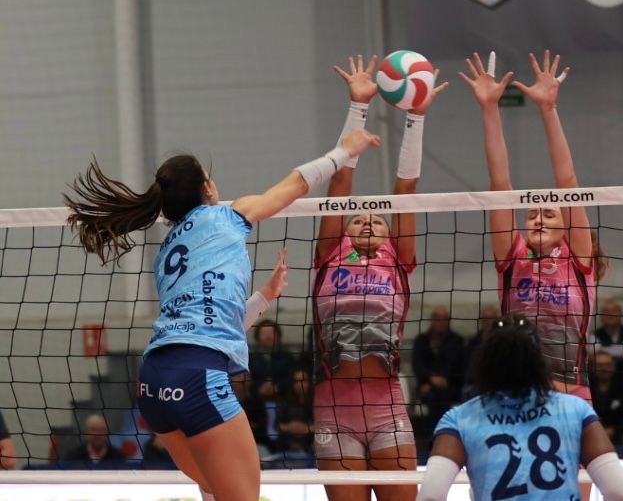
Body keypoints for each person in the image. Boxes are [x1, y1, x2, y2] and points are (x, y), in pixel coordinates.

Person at [64, 128, 380, 501]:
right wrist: (343, 151)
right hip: (197, 377)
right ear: (207, 187)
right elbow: (294, 184)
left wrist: (264, 296)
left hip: (153, 382)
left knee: (215, 490)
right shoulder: (227, 216)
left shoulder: (166, 253)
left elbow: (207, 323)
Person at [311, 54, 447, 501]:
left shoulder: (397, 258)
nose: (368, 220)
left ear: (389, 232)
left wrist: (416, 117)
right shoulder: (330, 255)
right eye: (357, 218)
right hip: (335, 409)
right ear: (345, 228)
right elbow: (339, 185)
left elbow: (406, 188)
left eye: (377, 218)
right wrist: (359, 106)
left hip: (387, 406)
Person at [459, 50, 607, 401]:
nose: (538, 217)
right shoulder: (513, 257)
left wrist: (548, 109)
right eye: (532, 214)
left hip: (572, 394)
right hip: (515, 393)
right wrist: (489, 109)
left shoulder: (578, 258)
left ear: (566, 227)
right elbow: (500, 185)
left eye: (549, 214)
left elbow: (567, 181)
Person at [417, 316, 623, 501]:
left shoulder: (459, 419)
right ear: (539, 359)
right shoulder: (575, 409)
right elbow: (619, 492)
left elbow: (431, 496)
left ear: (484, 359)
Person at [412, 305, 466, 430]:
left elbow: (456, 365)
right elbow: (417, 365)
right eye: (436, 318)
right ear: (431, 320)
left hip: (450, 386)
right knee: (434, 395)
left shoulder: (457, 341)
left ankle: (441, 431)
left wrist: (433, 383)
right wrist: (430, 380)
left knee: (440, 395)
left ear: (448, 321)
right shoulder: (421, 341)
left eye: (443, 318)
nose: (440, 322)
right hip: (425, 386)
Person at [590, 350, 623, 447]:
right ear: (593, 368)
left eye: (607, 365)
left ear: (613, 366)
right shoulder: (586, 388)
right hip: (591, 432)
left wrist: (613, 430)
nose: (604, 368)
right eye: (600, 365)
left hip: (618, 433)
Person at [589, 299, 623, 383]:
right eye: (606, 311)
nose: (610, 314)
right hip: (599, 384)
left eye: (614, 311)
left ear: (621, 314)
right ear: (601, 316)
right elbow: (593, 354)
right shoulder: (593, 335)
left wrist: (602, 351)